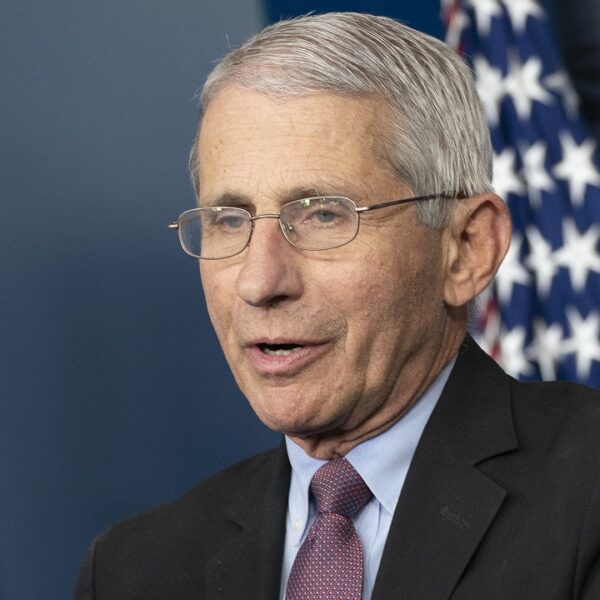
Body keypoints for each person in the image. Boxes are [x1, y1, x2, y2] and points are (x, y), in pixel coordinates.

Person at [75, 12, 600, 600]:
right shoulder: (131, 571)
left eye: (323, 214)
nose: (260, 281)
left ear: (466, 250)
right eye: (229, 220)